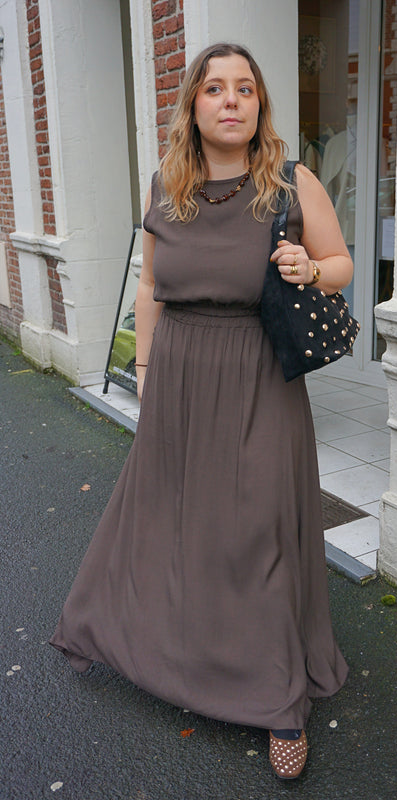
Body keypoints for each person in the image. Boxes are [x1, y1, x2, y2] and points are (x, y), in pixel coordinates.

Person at [50, 42, 353, 780]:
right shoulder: (167, 186)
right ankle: (180, 652)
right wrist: (145, 374)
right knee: (178, 522)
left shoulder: (291, 182)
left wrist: (311, 267)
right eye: (214, 88)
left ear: (259, 104)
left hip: (259, 373)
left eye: (244, 88)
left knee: (259, 531)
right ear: (192, 105)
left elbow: (342, 266)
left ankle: (279, 701)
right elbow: (150, 287)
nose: (230, 100)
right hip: (181, 372)